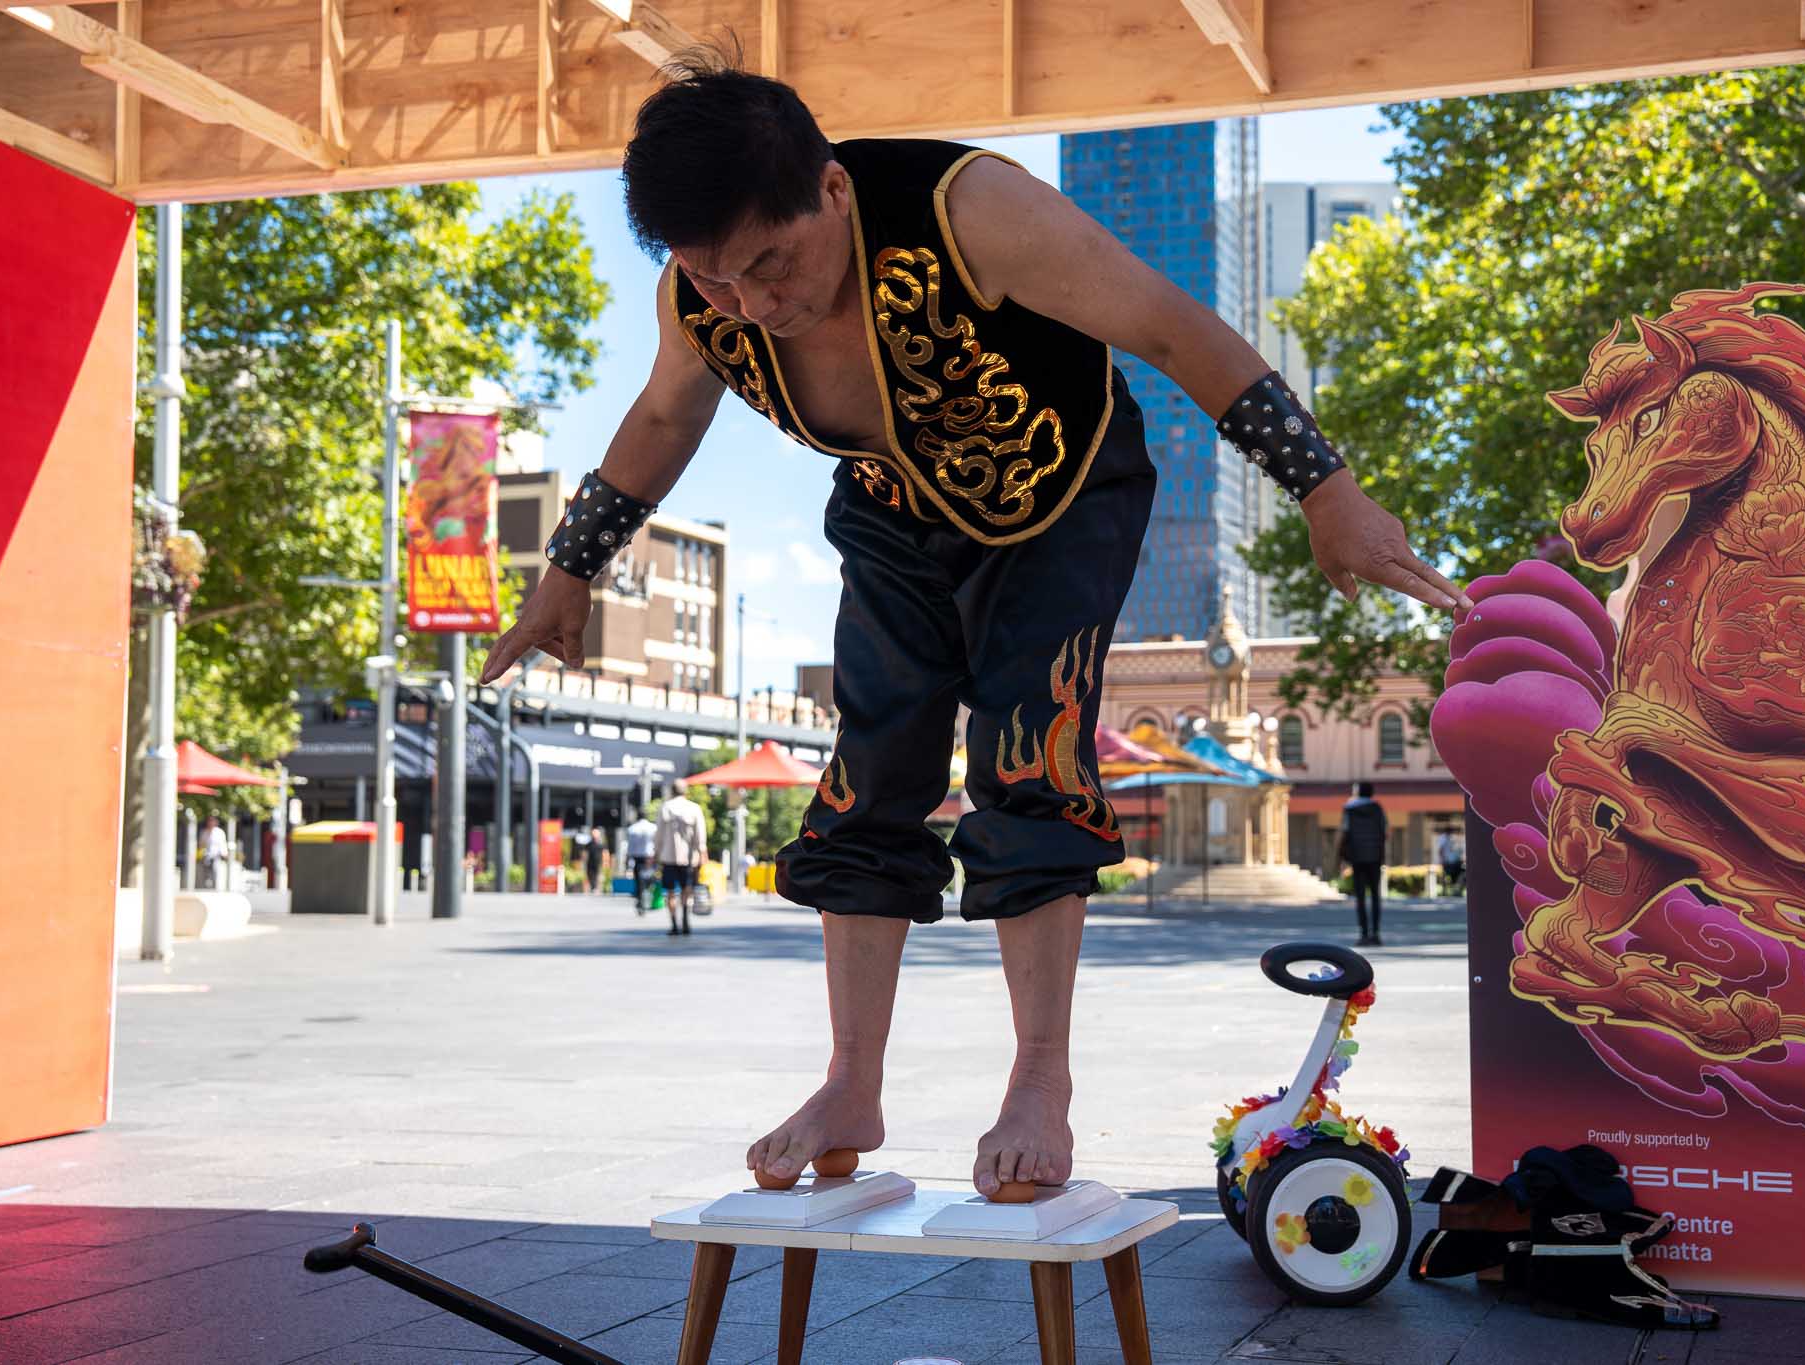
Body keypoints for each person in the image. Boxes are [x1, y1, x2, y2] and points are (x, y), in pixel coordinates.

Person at [477, 53, 1469, 1199]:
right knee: (866, 770)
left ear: (833, 193)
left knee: (1028, 756)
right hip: (895, 512)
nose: (752, 302)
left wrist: (1322, 489)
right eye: (715, 279)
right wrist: (569, 569)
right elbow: (661, 414)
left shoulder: (972, 214)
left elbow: (1166, 326)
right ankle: (852, 1079)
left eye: (771, 263)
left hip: (1060, 497)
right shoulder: (699, 303)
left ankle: (1036, 1081)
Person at [1338, 782, 1388, 947]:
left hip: (1357, 857)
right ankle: (1376, 933)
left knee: (1360, 897)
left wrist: (1341, 855)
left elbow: (1345, 832)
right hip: (1375, 856)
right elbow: (1384, 831)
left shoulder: (1349, 810)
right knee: (1375, 896)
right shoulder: (1378, 809)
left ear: (1358, 792)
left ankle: (1364, 934)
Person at [656, 779, 708, 936]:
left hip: (668, 857)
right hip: (688, 857)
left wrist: (656, 852)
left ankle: (674, 924)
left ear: (672, 791)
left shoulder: (665, 807)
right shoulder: (694, 808)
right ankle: (685, 917)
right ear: (686, 791)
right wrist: (702, 852)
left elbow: (658, 834)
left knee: (670, 891)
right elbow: (700, 834)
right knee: (687, 889)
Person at [626, 810, 658, 913]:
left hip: (637, 857)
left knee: (638, 880)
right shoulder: (653, 828)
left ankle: (640, 898)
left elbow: (630, 846)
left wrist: (629, 859)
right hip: (650, 857)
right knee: (650, 877)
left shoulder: (632, 828)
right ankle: (646, 896)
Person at [198, 816, 230, 891]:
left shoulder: (219, 832)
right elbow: (201, 844)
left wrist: (224, 854)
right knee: (205, 874)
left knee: (215, 873)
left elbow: (222, 844)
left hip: (216, 856)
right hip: (206, 856)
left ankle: (214, 888)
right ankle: (206, 888)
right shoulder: (204, 832)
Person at [1437, 828, 1466, 895]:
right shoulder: (1443, 838)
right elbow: (1441, 850)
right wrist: (1442, 860)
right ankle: (1446, 892)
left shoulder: (1452, 839)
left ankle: (1457, 891)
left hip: (1455, 862)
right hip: (1448, 863)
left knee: (1463, 874)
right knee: (1447, 876)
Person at [585, 826, 607, 894]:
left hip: (598, 862)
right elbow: (585, 852)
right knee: (590, 874)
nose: (594, 835)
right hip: (590, 862)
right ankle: (593, 887)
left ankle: (597, 888)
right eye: (593, 834)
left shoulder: (601, 843)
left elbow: (605, 852)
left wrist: (605, 861)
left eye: (595, 834)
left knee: (598, 874)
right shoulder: (589, 843)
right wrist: (584, 860)